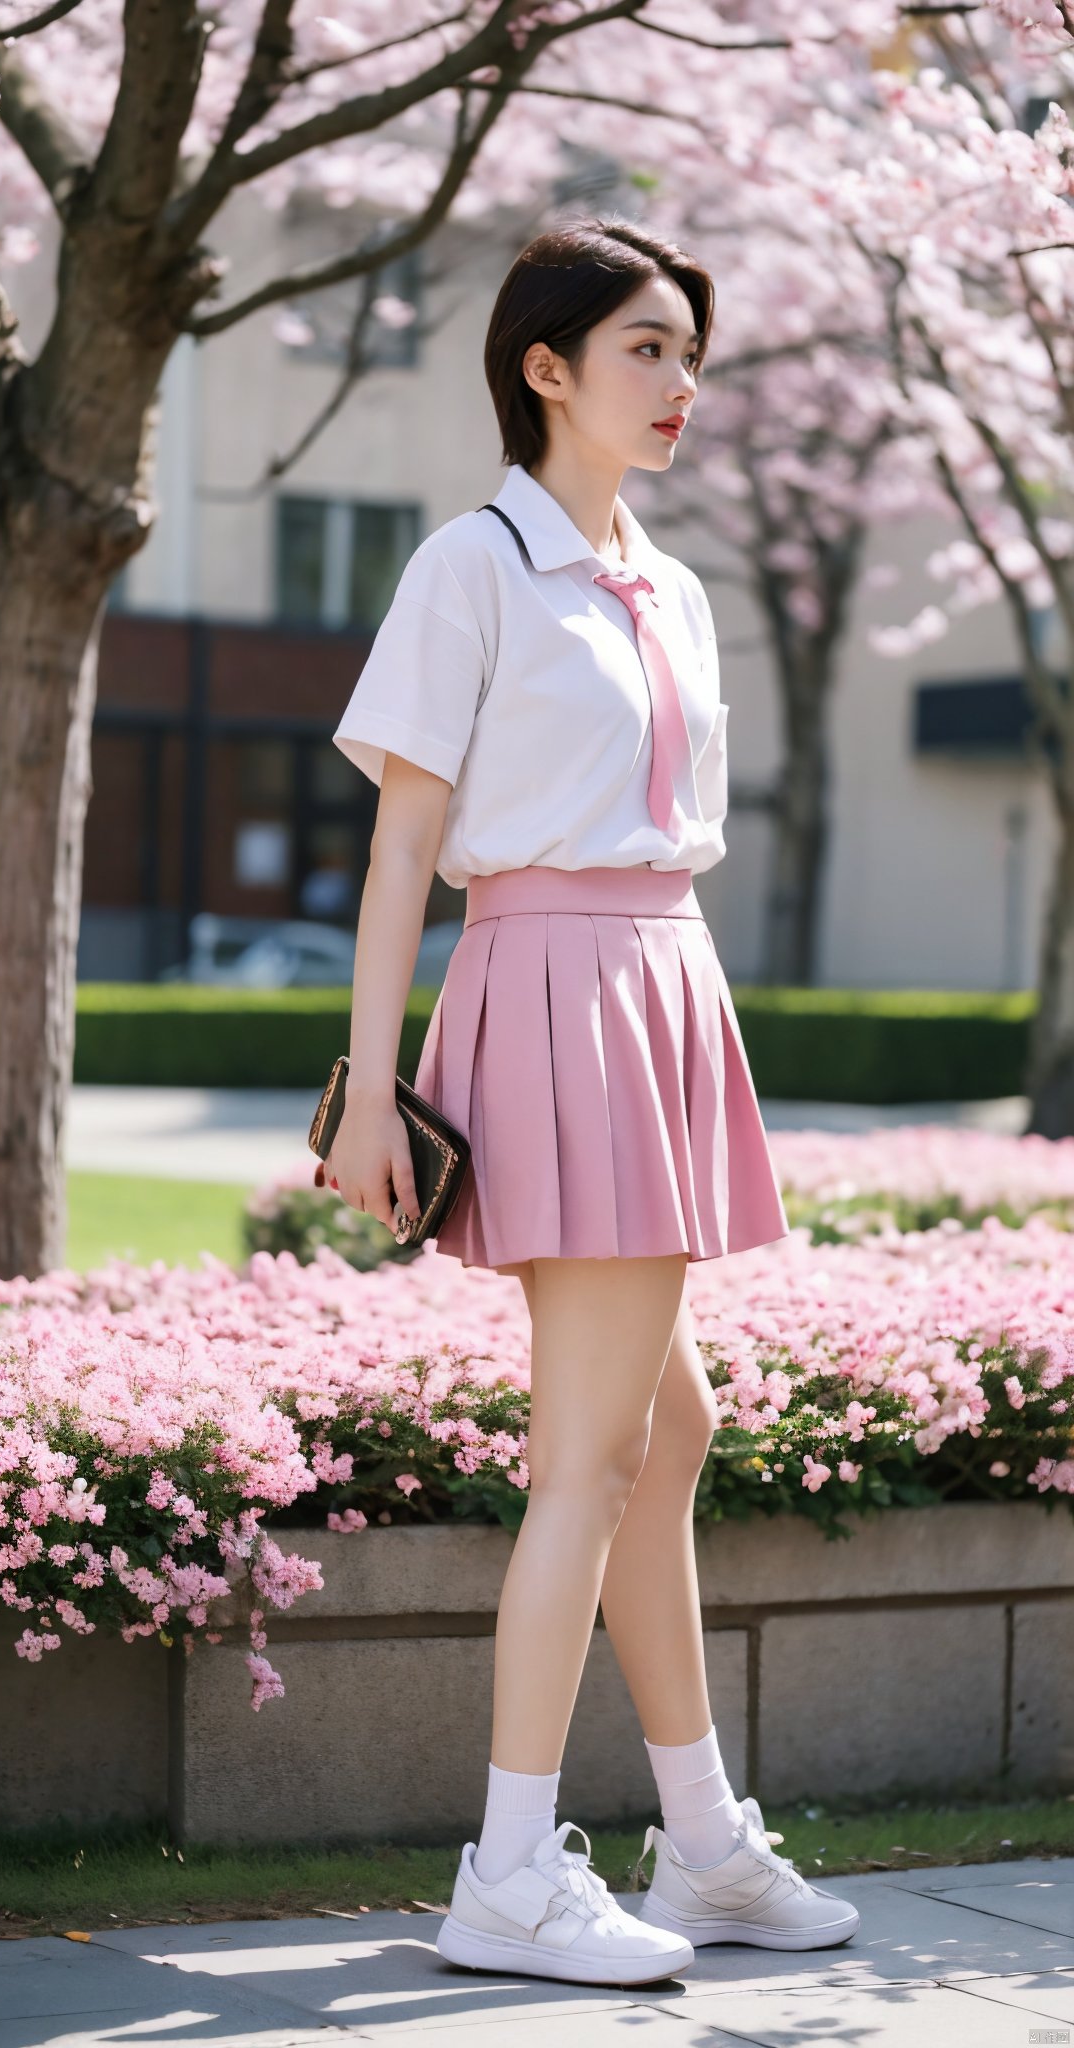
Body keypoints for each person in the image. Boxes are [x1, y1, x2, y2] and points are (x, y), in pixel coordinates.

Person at [322, 216, 860, 1988]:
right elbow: (404, 843)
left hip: (658, 982)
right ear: (543, 366)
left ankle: (698, 1840)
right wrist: (374, 1086)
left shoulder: (674, 585)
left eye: (690, 351)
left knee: (667, 1434)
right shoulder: (473, 565)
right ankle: (508, 1869)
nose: (681, 382)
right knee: (592, 1458)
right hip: (553, 983)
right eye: (646, 348)